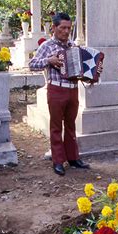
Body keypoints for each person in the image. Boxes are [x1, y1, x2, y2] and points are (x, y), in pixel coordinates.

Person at [29, 13, 98, 176]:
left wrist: (92, 74)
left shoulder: (74, 46)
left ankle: (73, 158)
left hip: (73, 89)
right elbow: (32, 64)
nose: (66, 31)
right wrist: (49, 60)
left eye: (69, 28)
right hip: (56, 89)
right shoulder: (46, 46)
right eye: (62, 28)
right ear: (54, 28)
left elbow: (80, 71)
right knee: (55, 126)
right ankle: (58, 161)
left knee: (71, 125)